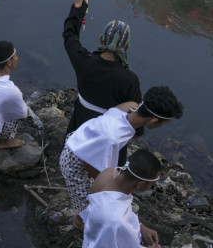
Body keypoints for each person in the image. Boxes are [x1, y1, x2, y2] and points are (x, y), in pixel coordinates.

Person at [60, 87, 183, 230]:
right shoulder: (112, 138)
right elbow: (88, 162)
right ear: (154, 120)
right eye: (163, 123)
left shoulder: (130, 106)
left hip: (85, 140)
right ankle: (81, 222)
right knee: (90, 200)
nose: (162, 126)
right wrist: (105, 186)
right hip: (76, 160)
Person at [63, 0, 142, 166]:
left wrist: (78, 7)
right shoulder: (130, 79)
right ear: (127, 47)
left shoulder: (84, 62)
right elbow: (137, 122)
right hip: (108, 145)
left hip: (78, 134)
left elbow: (69, 35)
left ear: (101, 40)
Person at [81, 149, 163, 248]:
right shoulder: (117, 221)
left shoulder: (108, 173)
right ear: (140, 184)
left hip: (95, 233)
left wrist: (141, 227)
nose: (150, 188)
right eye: (151, 185)